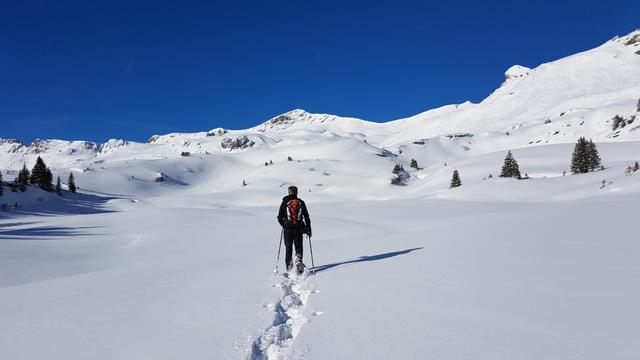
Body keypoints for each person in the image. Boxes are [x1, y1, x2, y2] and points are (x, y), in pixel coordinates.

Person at [277, 185, 311, 272]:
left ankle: (289, 268)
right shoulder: (301, 202)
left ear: (288, 192)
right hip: (299, 229)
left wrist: (284, 225)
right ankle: (298, 262)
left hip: (287, 230)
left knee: (288, 248)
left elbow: (279, 217)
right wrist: (309, 229)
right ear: (297, 192)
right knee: (298, 247)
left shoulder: (285, 202)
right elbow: (306, 217)